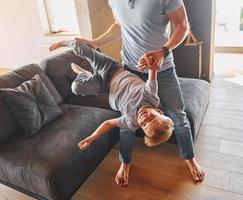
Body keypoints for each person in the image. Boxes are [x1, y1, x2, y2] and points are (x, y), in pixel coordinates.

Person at [75, 0, 205, 184]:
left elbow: (183, 26)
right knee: (127, 122)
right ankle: (125, 162)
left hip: (162, 69)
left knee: (179, 117)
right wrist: (94, 42)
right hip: (130, 68)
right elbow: (119, 24)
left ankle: (190, 159)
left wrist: (163, 52)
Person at [49, 40, 174, 185]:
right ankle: (65, 42)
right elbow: (153, 71)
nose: (145, 118)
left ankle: (84, 74)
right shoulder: (151, 96)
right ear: (158, 110)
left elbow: (109, 123)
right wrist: (152, 62)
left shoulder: (131, 122)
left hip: (104, 86)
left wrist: (92, 137)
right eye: (152, 117)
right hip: (110, 69)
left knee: (76, 88)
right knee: (82, 49)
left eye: (145, 125)